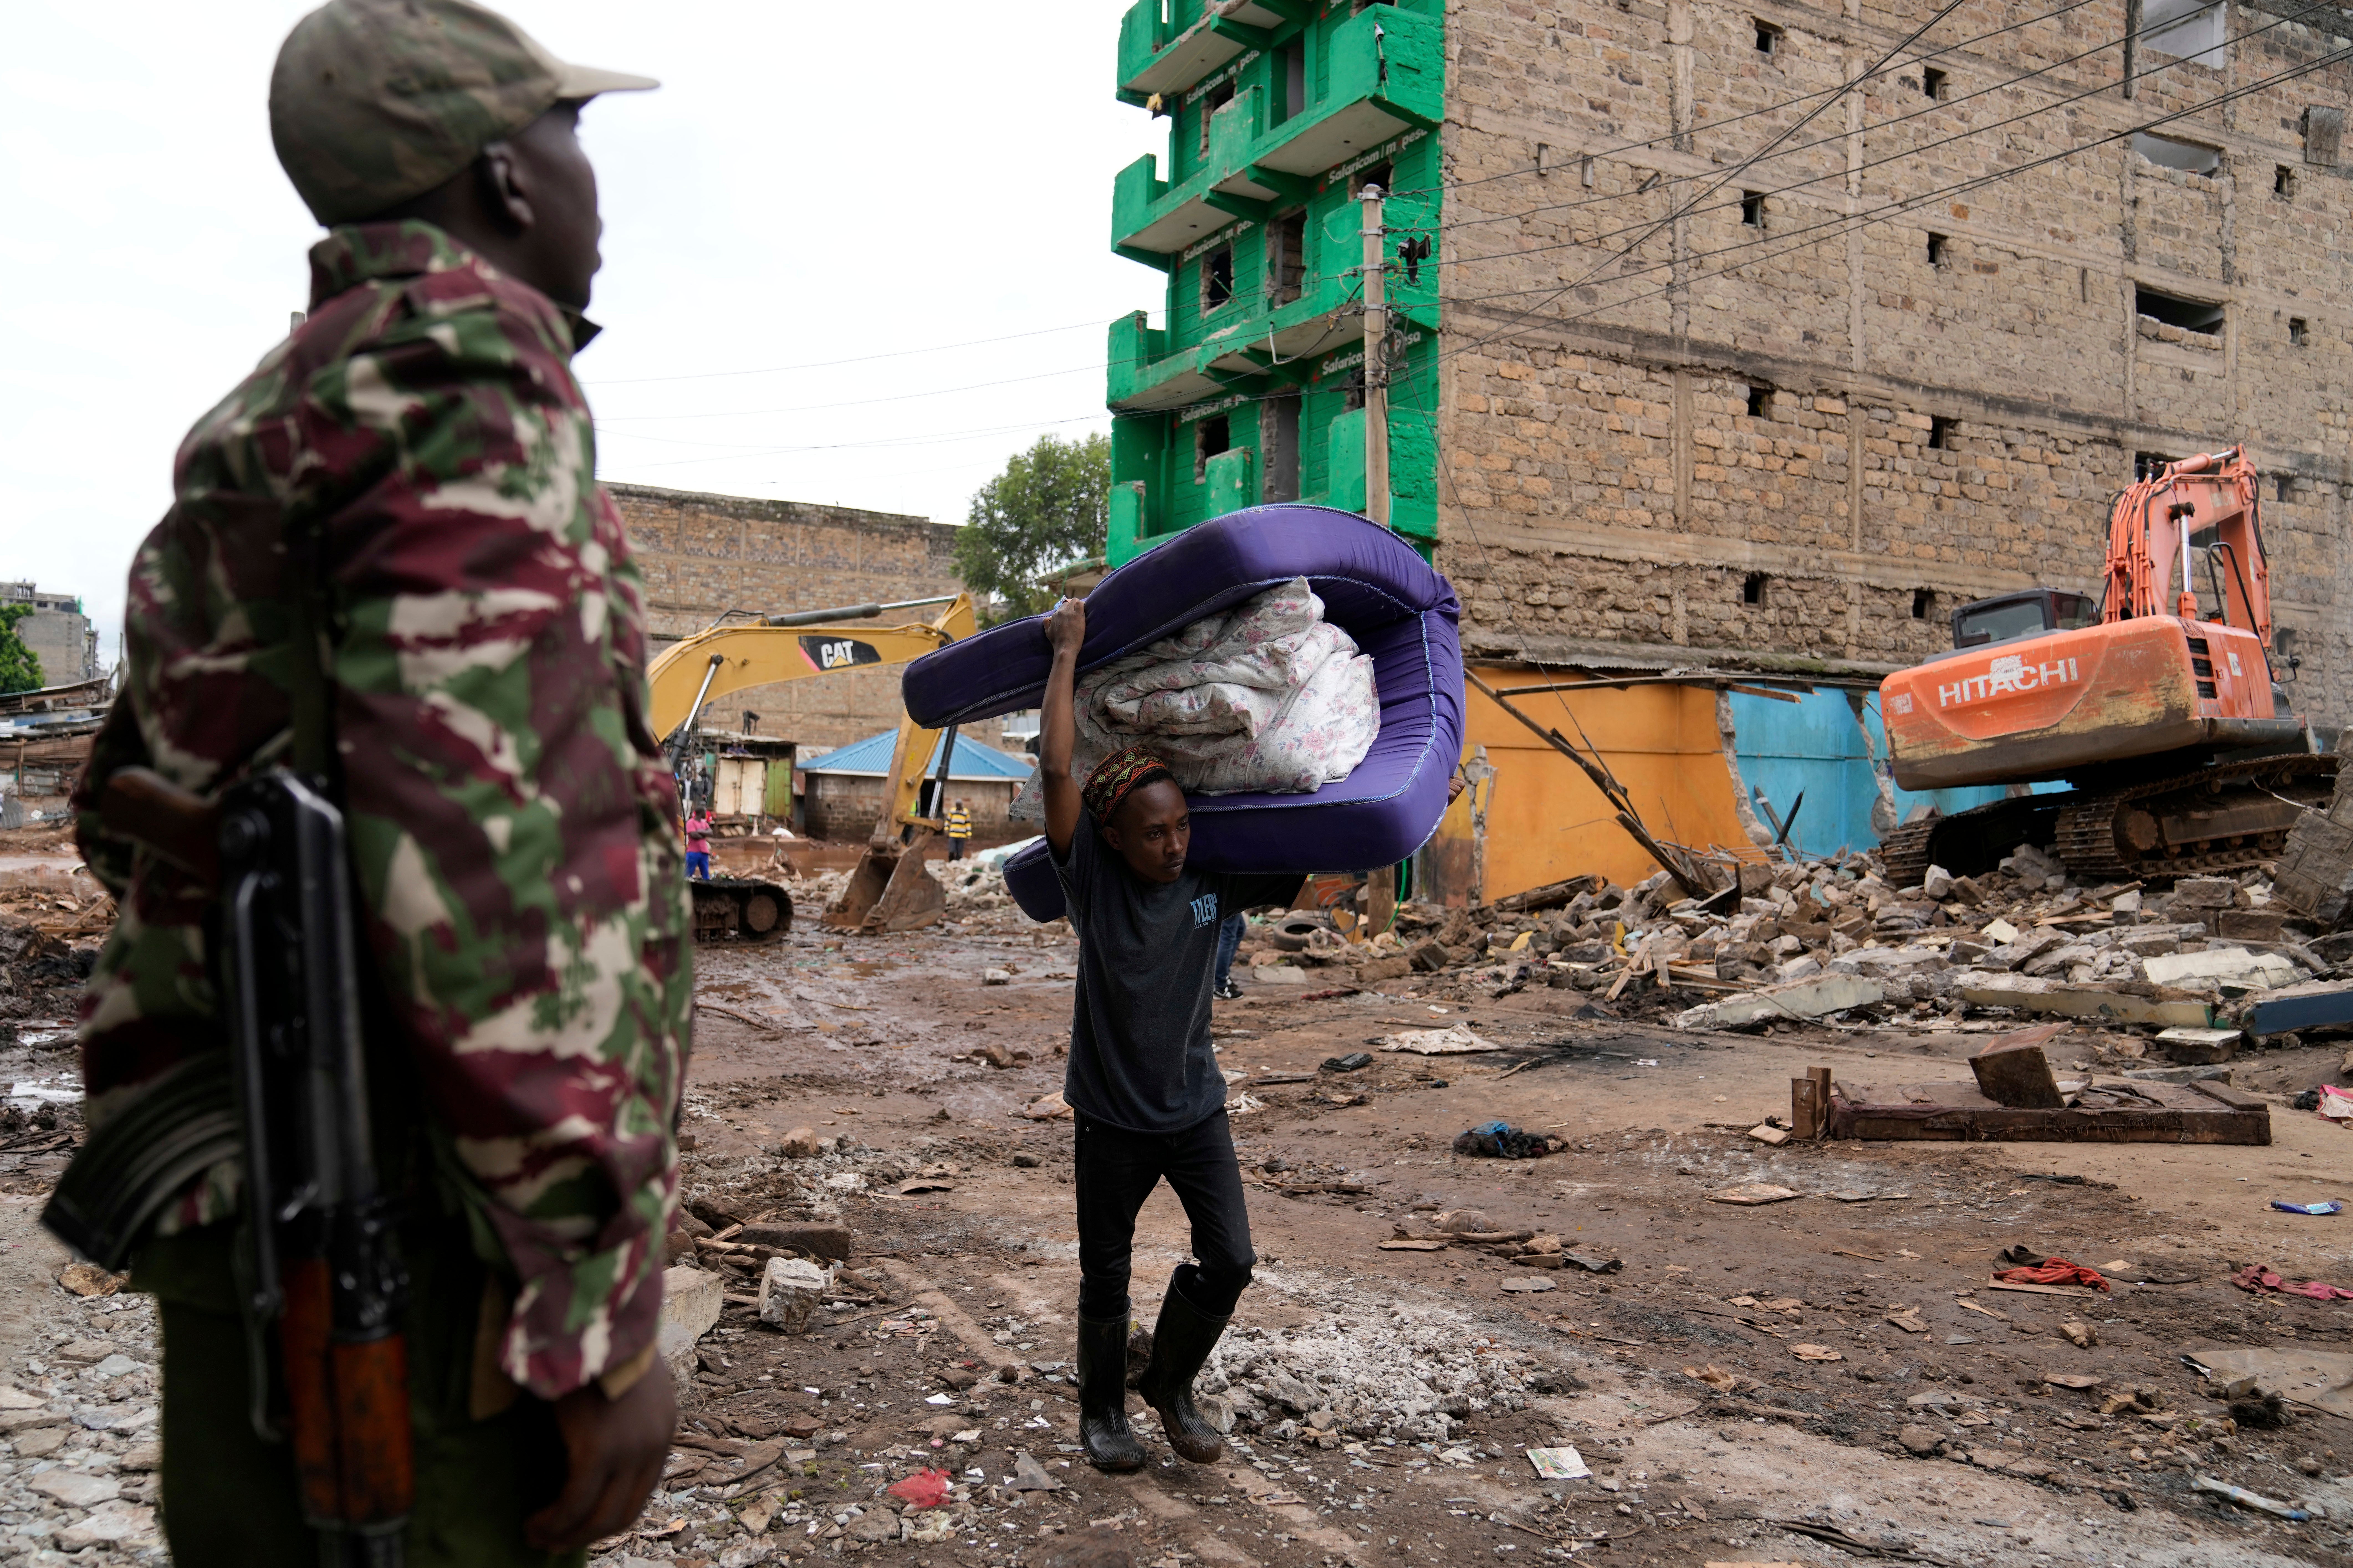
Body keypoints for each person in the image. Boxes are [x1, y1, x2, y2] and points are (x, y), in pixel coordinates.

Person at [66, 2, 684, 1561]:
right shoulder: (468, 385)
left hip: (256, 1206)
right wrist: (587, 1311)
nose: (594, 179)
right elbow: (495, 868)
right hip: (409, 1248)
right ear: (507, 178)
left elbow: (125, 803)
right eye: (574, 135)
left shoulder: (275, 416)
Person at [1037, 597, 1303, 1472]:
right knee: (1105, 1271)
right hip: (1111, 1113)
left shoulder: (1213, 877)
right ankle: (1102, 1412)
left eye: (1182, 824)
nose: (1174, 844)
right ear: (1111, 838)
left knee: (1229, 1257)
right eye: (1153, 833)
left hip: (1194, 1106)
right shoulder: (1094, 881)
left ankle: (1171, 1383)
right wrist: (1068, 650)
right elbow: (1055, 769)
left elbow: (1313, 823)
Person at [1211, 910, 1248, 1000]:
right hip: (1230, 896)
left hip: (1231, 896)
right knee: (1228, 935)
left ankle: (1223, 976)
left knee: (1240, 929)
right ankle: (1220, 985)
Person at [685, 806, 715, 880]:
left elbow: (711, 832)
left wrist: (699, 831)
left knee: (706, 876)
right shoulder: (690, 822)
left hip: (704, 852)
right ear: (701, 813)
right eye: (705, 812)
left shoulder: (704, 823)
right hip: (693, 852)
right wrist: (705, 835)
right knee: (688, 874)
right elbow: (694, 835)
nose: (706, 814)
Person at [946, 796, 974, 861]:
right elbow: (948, 821)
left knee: (959, 853)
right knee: (952, 851)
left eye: (959, 805)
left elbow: (968, 824)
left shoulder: (966, 812)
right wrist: (946, 830)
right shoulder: (952, 811)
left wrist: (969, 835)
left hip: (962, 836)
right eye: (957, 805)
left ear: (961, 805)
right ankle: (951, 863)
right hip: (953, 835)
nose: (958, 806)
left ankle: (957, 865)